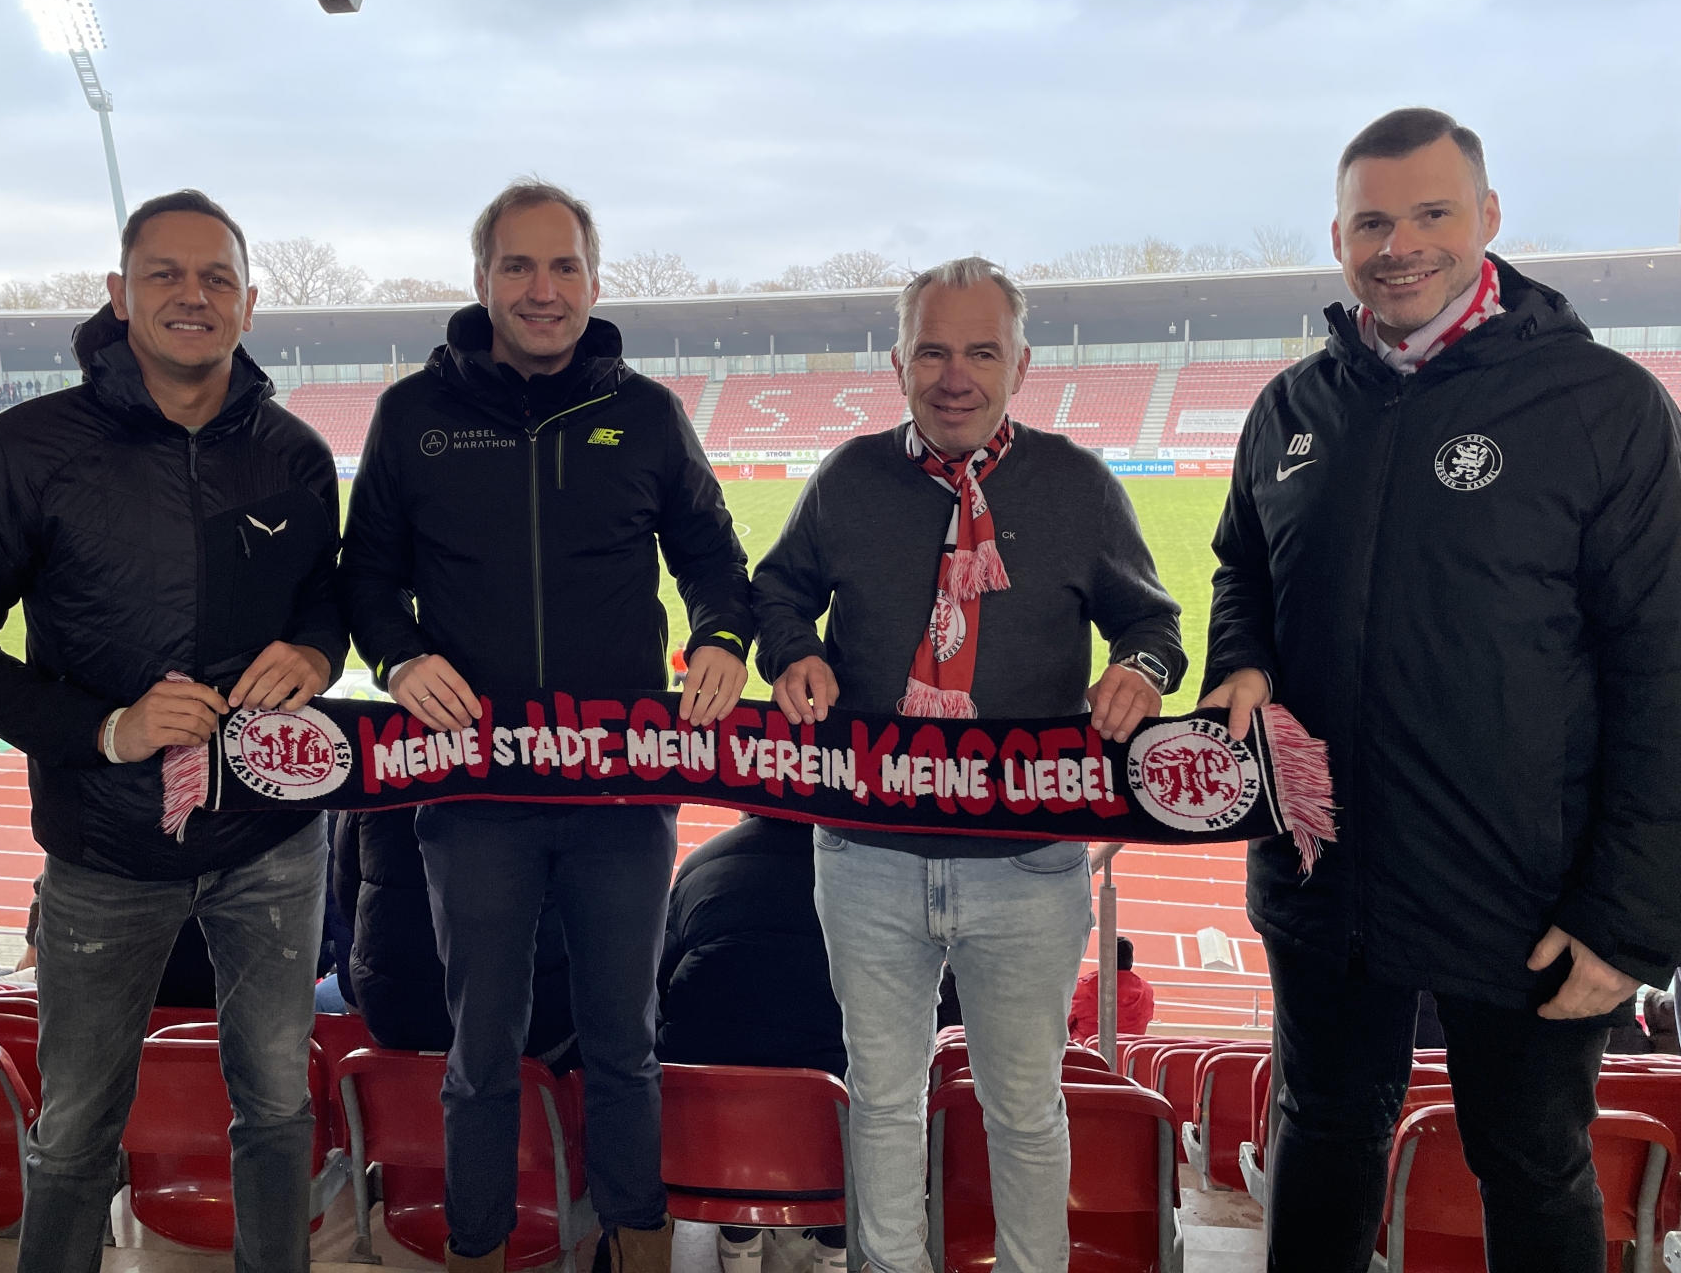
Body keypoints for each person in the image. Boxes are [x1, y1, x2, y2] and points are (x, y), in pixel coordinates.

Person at [1201, 107, 1681, 1272]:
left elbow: (1664, 671)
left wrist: (1629, 920)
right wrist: (1240, 659)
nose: (1400, 244)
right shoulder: (1291, 407)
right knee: (1323, 1132)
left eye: (1431, 214)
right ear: (1338, 238)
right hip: (1322, 877)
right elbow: (1242, 569)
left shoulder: (1602, 407)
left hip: (1523, 898)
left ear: (1490, 217)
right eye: (1373, 222)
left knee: (1532, 1163)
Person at [0, 188, 349, 1273]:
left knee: (279, 1109)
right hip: (103, 848)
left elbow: (324, 601)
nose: (193, 296)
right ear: (118, 293)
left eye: (216, 278)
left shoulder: (294, 452)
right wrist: (105, 729)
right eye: (165, 274)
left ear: (249, 303)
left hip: (272, 841)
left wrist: (318, 651)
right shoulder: (29, 446)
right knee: (74, 1129)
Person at [340, 177, 754, 1273]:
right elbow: (365, 576)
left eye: (564, 265)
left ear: (594, 281)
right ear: (482, 280)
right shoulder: (412, 416)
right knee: (480, 1052)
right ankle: (478, 1249)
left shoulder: (648, 414)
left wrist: (722, 637)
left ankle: (637, 1247)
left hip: (621, 792)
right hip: (474, 794)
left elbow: (714, 560)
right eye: (518, 265)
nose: (542, 288)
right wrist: (401, 655)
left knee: (625, 1043)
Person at [752, 256, 1185, 1273]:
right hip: (866, 851)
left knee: (1025, 1106)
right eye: (934, 353)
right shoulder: (848, 478)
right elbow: (777, 588)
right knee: (882, 1097)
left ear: (1020, 366)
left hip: (1029, 862)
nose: (956, 378)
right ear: (899, 363)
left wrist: (1140, 669)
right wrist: (793, 650)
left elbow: (1153, 623)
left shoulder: (1078, 485)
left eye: (981, 353)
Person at [656, 813, 848, 1273]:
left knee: (718, 1042)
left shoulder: (699, 863)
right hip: (832, 1136)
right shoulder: (864, 870)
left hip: (703, 1144)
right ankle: (836, 1244)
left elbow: (660, 985)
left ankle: (739, 1235)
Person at [331, 810, 576, 1059]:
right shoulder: (550, 794)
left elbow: (346, 901)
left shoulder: (371, 788)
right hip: (532, 1026)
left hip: (395, 1018)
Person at [1066, 935, 1154, 1042]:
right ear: (1131, 960)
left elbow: (1063, 1022)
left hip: (1086, 1050)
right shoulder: (1146, 991)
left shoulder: (1083, 989)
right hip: (1129, 1051)